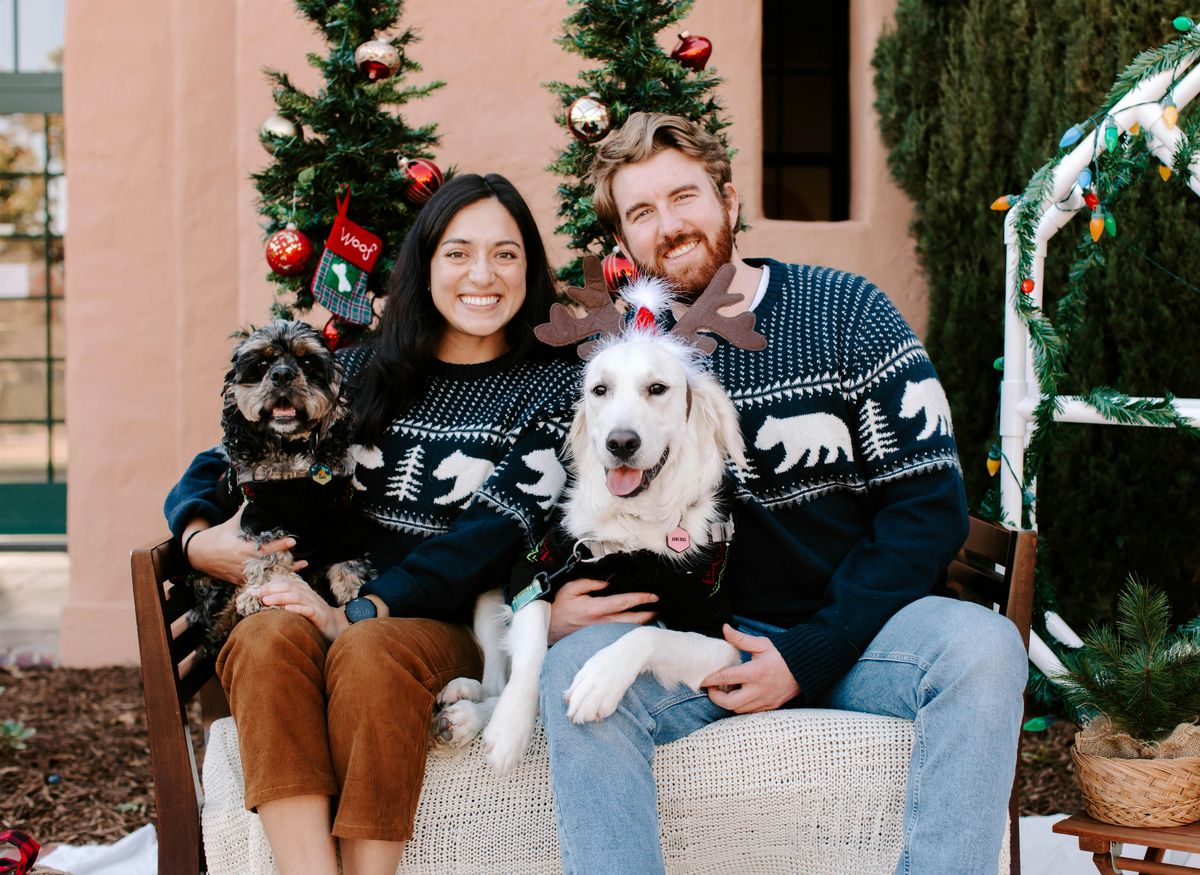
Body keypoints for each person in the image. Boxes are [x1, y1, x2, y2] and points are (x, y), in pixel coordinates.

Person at [538, 113, 1028, 875]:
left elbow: (928, 509)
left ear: (729, 201)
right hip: (703, 653)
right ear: (623, 248)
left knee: (984, 647)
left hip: (869, 639)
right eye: (642, 213)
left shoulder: (848, 311)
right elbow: (557, 508)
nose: (670, 226)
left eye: (685, 196)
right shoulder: (620, 370)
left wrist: (811, 650)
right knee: (573, 674)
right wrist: (546, 602)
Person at [163, 173, 582, 875]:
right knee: (264, 634)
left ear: (530, 269)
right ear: (425, 265)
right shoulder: (356, 371)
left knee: (370, 649)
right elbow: (222, 452)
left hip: (447, 621)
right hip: (325, 594)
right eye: (458, 252)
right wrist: (201, 539)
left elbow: (489, 535)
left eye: (506, 254)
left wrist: (357, 611)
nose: (482, 274)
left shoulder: (554, 387)